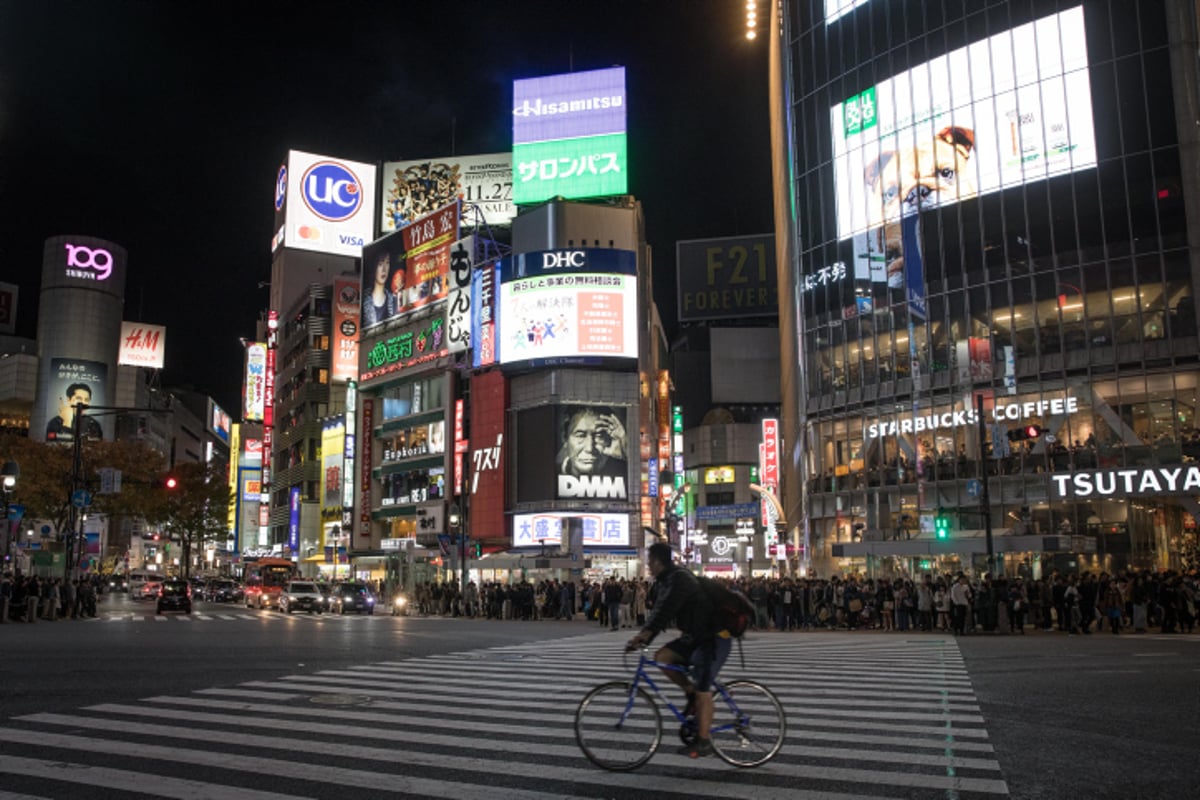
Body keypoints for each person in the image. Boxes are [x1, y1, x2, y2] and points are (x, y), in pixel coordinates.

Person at [625, 542, 730, 759]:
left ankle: (703, 740)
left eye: (649, 562)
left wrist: (644, 635)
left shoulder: (680, 579)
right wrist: (645, 637)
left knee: (703, 684)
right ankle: (690, 693)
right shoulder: (665, 581)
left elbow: (667, 609)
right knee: (663, 657)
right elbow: (658, 612)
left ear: (657, 561)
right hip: (694, 637)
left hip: (714, 636)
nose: (648, 566)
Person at [559, 407, 628, 479]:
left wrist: (625, 454)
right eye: (581, 436)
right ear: (565, 438)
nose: (589, 448)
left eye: (599, 436)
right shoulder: (552, 474)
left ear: (610, 440)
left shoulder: (624, 470)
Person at [362, 253, 398, 328]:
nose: (384, 269)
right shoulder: (363, 299)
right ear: (374, 266)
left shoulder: (393, 300)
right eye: (380, 264)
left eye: (387, 263)